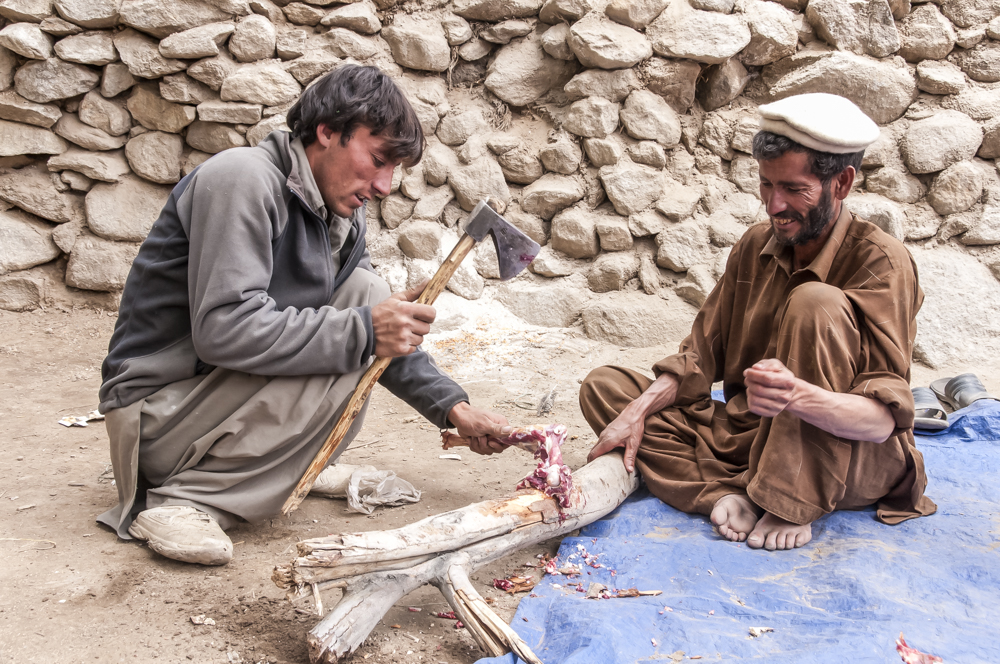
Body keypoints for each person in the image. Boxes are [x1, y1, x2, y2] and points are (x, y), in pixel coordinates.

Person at [96, 64, 511, 565]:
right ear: (328, 131)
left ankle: (282, 469)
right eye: (378, 159)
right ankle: (183, 498)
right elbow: (223, 330)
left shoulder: (337, 211)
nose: (384, 185)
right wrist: (366, 327)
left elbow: (370, 322)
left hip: (215, 403)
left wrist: (453, 409)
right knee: (362, 314)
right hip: (159, 420)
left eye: (393, 170)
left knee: (366, 289)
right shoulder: (242, 179)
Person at [581, 93, 936, 551]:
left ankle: (788, 500)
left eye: (794, 189)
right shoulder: (754, 246)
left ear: (842, 183)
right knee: (606, 387)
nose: (773, 205)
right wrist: (635, 413)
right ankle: (726, 494)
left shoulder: (882, 261)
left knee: (815, 302)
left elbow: (881, 423)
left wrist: (799, 399)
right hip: (749, 438)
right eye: (766, 185)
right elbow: (696, 360)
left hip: (848, 456)